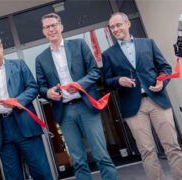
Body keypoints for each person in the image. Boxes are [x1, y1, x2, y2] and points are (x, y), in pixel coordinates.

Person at [35, 13, 118, 180]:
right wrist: (48, 92)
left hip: (86, 106)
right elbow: (41, 87)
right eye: (47, 27)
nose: (51, 29)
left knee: (101, 155)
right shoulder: (40, 58)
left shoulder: (79, 45)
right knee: (78, 160)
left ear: (61, 27)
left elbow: (95, 72)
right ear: (43, 31)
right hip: (64, 113)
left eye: (53, 25)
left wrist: (79, 84)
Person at [102, 12, 182, 180]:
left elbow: (165, 68)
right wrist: (118, 80)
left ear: (127, 24)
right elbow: (106, 81)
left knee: (172, 146)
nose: (115, 29)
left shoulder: (148, 43)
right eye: (112, 27)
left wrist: (162, 83)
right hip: (133, 108)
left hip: (157, 100)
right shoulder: (108, 54)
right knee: (147, 151)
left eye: (118, 25)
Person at [0, 35, 52, 180]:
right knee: (13, 176)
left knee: (41, 171)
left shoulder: (19, 65)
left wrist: (16, 101)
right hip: (1, 129)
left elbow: (33, 87)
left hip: (24, 124)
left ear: (2, 48)